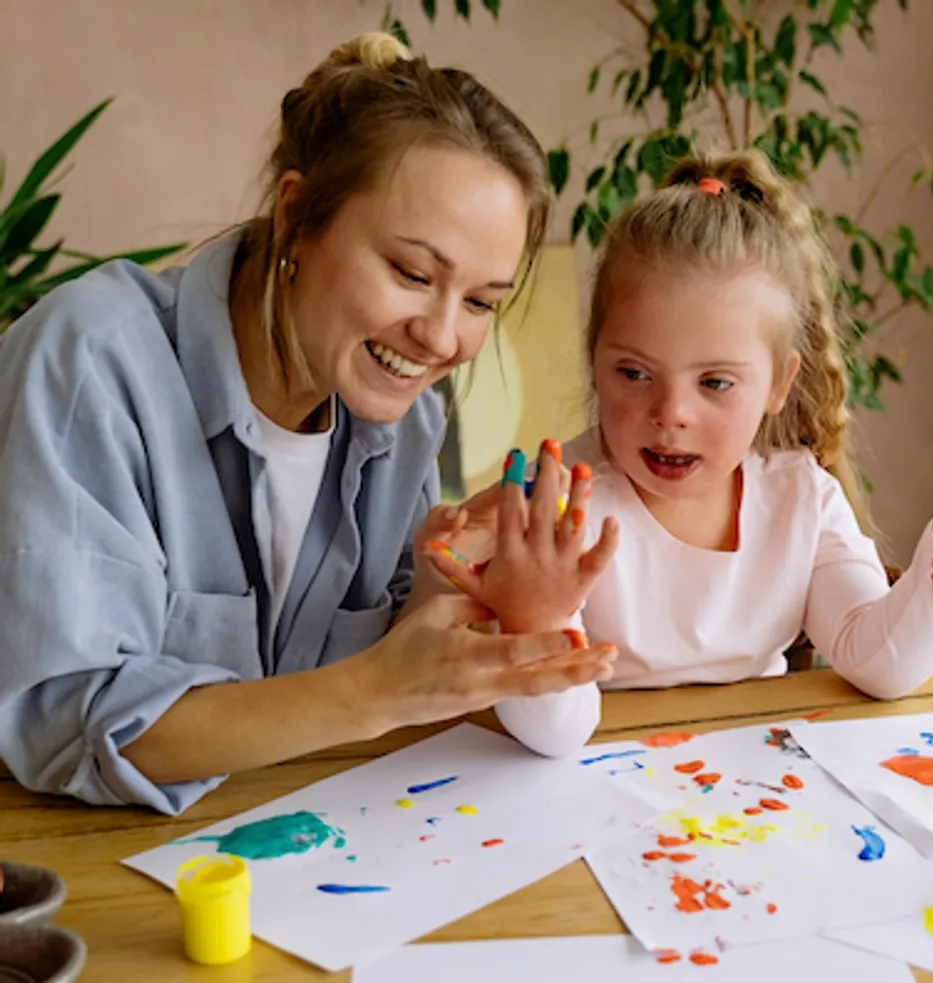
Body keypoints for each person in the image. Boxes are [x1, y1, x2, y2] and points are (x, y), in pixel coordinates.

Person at [0, 32, 618, 815]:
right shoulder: (91, 359)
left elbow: (364, 684)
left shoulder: (405, 422)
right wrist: (382, 686)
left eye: (481, 302)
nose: (439, 336)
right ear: (296, 216)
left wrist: (446, 590)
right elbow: (70, 723)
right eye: (412, 273)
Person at [429, 151, 933, 755]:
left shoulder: (802, 500)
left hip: (754, 809)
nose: (671, 413)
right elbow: (558, 730)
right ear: (594, 361)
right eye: (634, 372)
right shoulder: (557, 508)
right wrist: (533, 616)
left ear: (779, 383)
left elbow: (880, 662)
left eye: (715, 382)